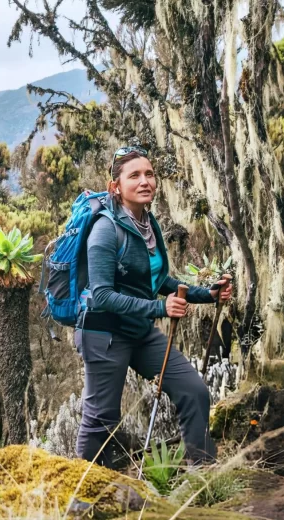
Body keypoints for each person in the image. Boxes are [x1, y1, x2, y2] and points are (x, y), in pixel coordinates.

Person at [75, 144, 233, 469]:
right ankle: (83, 494)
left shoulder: (148, 222)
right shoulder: (106, 230)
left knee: (193, 391)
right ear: (116, 187)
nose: (145, 181)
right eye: (135, 175)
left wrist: (208, 295)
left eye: (149, 173)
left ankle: (201, 473)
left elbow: (158, 279)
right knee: (101, 418)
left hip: (139, 332)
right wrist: (161, 309)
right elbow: (102, 295)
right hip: (104, 334)